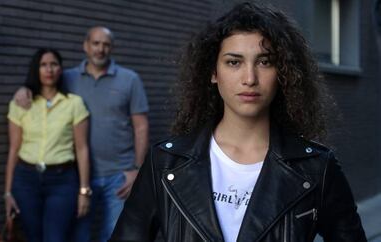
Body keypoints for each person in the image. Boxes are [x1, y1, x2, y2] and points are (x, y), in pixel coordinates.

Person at [110, 2, 367, 242]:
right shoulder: (165, 163)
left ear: (283, 73)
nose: (249, 78)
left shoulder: (317, 168)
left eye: (265, 62)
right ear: (213, 72)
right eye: (234, 62)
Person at [14, 27, 149, 242]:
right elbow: (42, 85)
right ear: (85, 46)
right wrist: (24, 90)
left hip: (119, 176)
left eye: (105, 44)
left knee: (114, 235)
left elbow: (141, 127)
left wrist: (137, 170)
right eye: (96, 43)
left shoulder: (129, 79)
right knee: (79, 236)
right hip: (78, 177)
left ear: (111, 48)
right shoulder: (68, 77)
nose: (100, 49)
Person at [5, 48, 91, 242]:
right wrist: (8, 193)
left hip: (62, 181)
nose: (49, 69)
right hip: (26, 180)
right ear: (36, 69)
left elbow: (82, 148)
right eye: (43, 65)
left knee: (55, 238)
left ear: (61, 69)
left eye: (54, 64)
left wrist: (84, 191)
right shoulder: (21, 103)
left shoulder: (74, 103)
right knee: (33, 237)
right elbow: (13, 149)